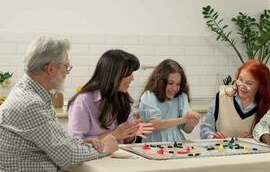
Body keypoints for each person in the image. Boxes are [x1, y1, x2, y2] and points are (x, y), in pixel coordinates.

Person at [0, 36, 118, 171]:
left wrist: (79, 144)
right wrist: (105, 148)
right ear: (50, 69)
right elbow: (66, 156)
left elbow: (54, 140)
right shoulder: (30, 103)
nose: (67, 72)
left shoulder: (28, 92)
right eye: (66, 66)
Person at [67, 49, 154, 144]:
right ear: (114, 74)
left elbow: (125, 142)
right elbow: (75, 143)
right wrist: (114, 134)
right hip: (94, 158)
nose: (132, 78)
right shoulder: (84, 100)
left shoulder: (125, 100)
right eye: (129, 73)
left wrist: (131, 132)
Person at [200, 60, 270, 139]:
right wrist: (212, 136)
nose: (242, 87)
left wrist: (255, 138)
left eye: (249, 83)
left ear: (260, 87)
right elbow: (204, 130)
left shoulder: (268, 106)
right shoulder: (221, 97)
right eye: (240, 80)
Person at [139, 59, 201, 142]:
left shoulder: (181, 97)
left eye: (178, 84)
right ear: (160, 81)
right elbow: (153, 125)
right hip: (154, 144)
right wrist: (183, 119)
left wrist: (192, 123)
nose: (175, 88)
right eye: (170, 83)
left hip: (177, 143)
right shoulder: (149, 96)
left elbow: (187, 130)